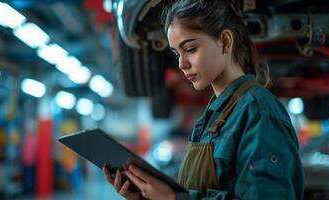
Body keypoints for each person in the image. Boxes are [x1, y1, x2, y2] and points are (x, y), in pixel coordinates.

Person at [103, 0, 305, 199]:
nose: (181, 64)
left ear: (225, 41)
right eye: (176, 53)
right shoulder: (211, 118)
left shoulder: (258, 111)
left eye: (190, 49)